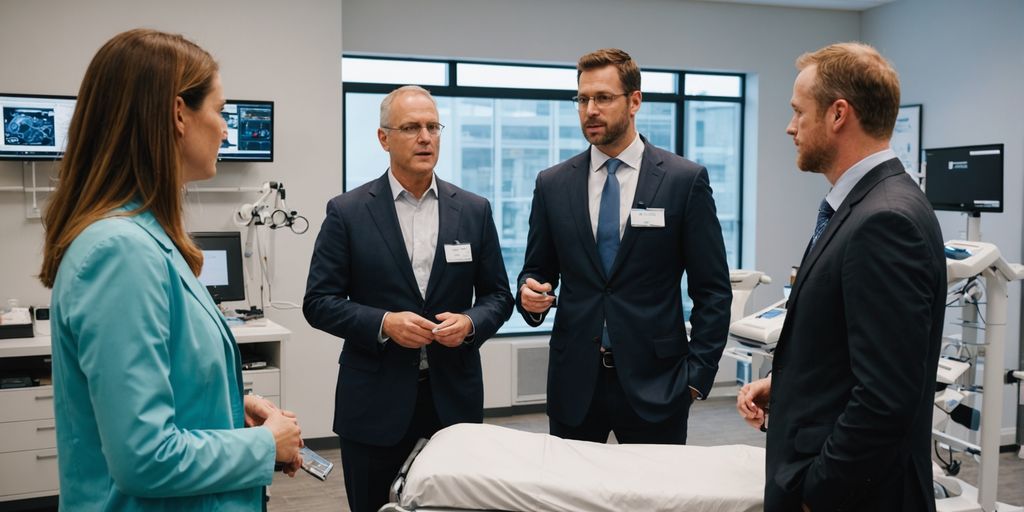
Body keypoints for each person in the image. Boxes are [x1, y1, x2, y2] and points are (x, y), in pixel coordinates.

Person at [38, 29, 303, 511]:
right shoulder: (119, 251)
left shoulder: (145, 239)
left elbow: (163, 387)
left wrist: (229, 409)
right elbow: (145, 457)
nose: (226, 129)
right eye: (220, 110)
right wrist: (266, 446)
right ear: (179, 113)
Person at [736, 42, 945, 511]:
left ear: (838, 114)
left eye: (798, 112)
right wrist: (789, 386)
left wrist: (818, 493)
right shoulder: (860, 206)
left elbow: (885, 399)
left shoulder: (885, 221)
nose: (790, 127)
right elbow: (851, 355)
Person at [303, 85, 514, 512]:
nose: (425, 137)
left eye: (433, 127)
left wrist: (471, 323)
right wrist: (384, 324)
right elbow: (319, 301)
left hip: (452, 401)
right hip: (374, 403)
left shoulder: (473, 209)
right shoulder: (348, 212)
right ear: (384, 138)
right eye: (412, 127)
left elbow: (498, 295)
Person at [516, 48, 732, 445]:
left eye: (602, 98)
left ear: (635, 101)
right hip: (575, 382)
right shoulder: (553, 184)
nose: (590, 110)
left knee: (656, 500)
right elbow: (537, 270)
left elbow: (713, 290)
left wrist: (696, 379)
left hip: (659, 383)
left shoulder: (684, 181)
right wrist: (529, 292)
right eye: (582, 99)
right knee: (571, 501)